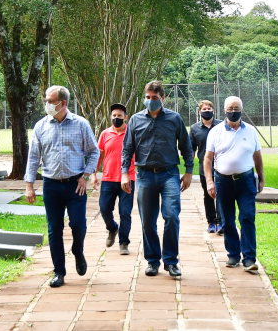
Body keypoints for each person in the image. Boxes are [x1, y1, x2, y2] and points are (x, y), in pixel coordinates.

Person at [25, 85, 100, 288]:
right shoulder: (41, 126)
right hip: (51, 185)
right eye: (47, 101)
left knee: (78, 224)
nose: (47, 104)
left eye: (50, 101)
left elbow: (94, 151)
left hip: (76, 185)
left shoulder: (81, 124)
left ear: (63, 103)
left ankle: (78, 250)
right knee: (54, 229)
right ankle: (59, 271)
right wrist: (29, 185)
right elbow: (33, 157)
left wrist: (85, 175)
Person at [121, 80, 192, 278]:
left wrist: (188, 171)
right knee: (147, 221)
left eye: (154, 98)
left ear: (163, 98)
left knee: (171, 216)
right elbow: (127, 148)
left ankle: (171, 261)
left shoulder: (174, 119)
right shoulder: (135, 120)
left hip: (169, 174)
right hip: (144, 175)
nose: (150, 101)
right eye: (147, 97)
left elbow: (186, 146)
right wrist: (124, 173)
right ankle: (152, 260)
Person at [205, 96, 265, 272]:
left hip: (246, 181)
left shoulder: (251, 131)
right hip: (223, 182)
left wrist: (261, 178)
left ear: (241, 109)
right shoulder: (215, 132)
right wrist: (210, 181)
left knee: (247, 217)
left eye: (236, 108)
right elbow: (208, 159)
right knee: (228, 220)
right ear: (224, 111)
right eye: (230, 109)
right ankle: (233, 254)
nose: (233, 112)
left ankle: (249, 258)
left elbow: (258, 157)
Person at [92, 103, 136, 255]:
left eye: (120, 116)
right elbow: (98, 156)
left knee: (125, 212)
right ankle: (112, 229)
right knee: (104, 208)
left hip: (128, 179)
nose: (117, 118)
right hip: (108, 179)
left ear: (126, 117)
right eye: (114, 116)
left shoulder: (132, 133)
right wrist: (93, 174)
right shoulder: (105, 134)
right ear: (110, 117)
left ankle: (124, 242)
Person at [189, 100, 222, 234]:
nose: (206, 111)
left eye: (209, 109)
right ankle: (211, 221)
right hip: (204, 167)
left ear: (213, 111)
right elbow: (191, 149)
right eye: (204, 109)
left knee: (221, 194)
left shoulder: (221, 126)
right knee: (208, 194)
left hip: (221, 166)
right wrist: (189, 169)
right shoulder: (195, 128)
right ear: (200, 112)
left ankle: (220, 222)